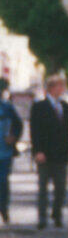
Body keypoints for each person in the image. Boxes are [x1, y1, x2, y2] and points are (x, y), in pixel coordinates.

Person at [30, 74, 68, 229]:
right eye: (59, 86)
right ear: (51, 88)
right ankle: (42, 218)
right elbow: (34, 131)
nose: (62, 89)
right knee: (43, 188)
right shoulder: (39, 106)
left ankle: (57, 213)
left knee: (61, 187)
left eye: (63, 86)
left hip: (61, 154)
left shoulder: (65, 106)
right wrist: (37, 151)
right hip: (45, 153)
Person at [0, 78, 22, 225]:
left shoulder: (7, 107)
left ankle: (4, 209)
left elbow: (18, 124)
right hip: (5, 152)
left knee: (3, 181)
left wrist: (13, 137)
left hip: (4, 152)